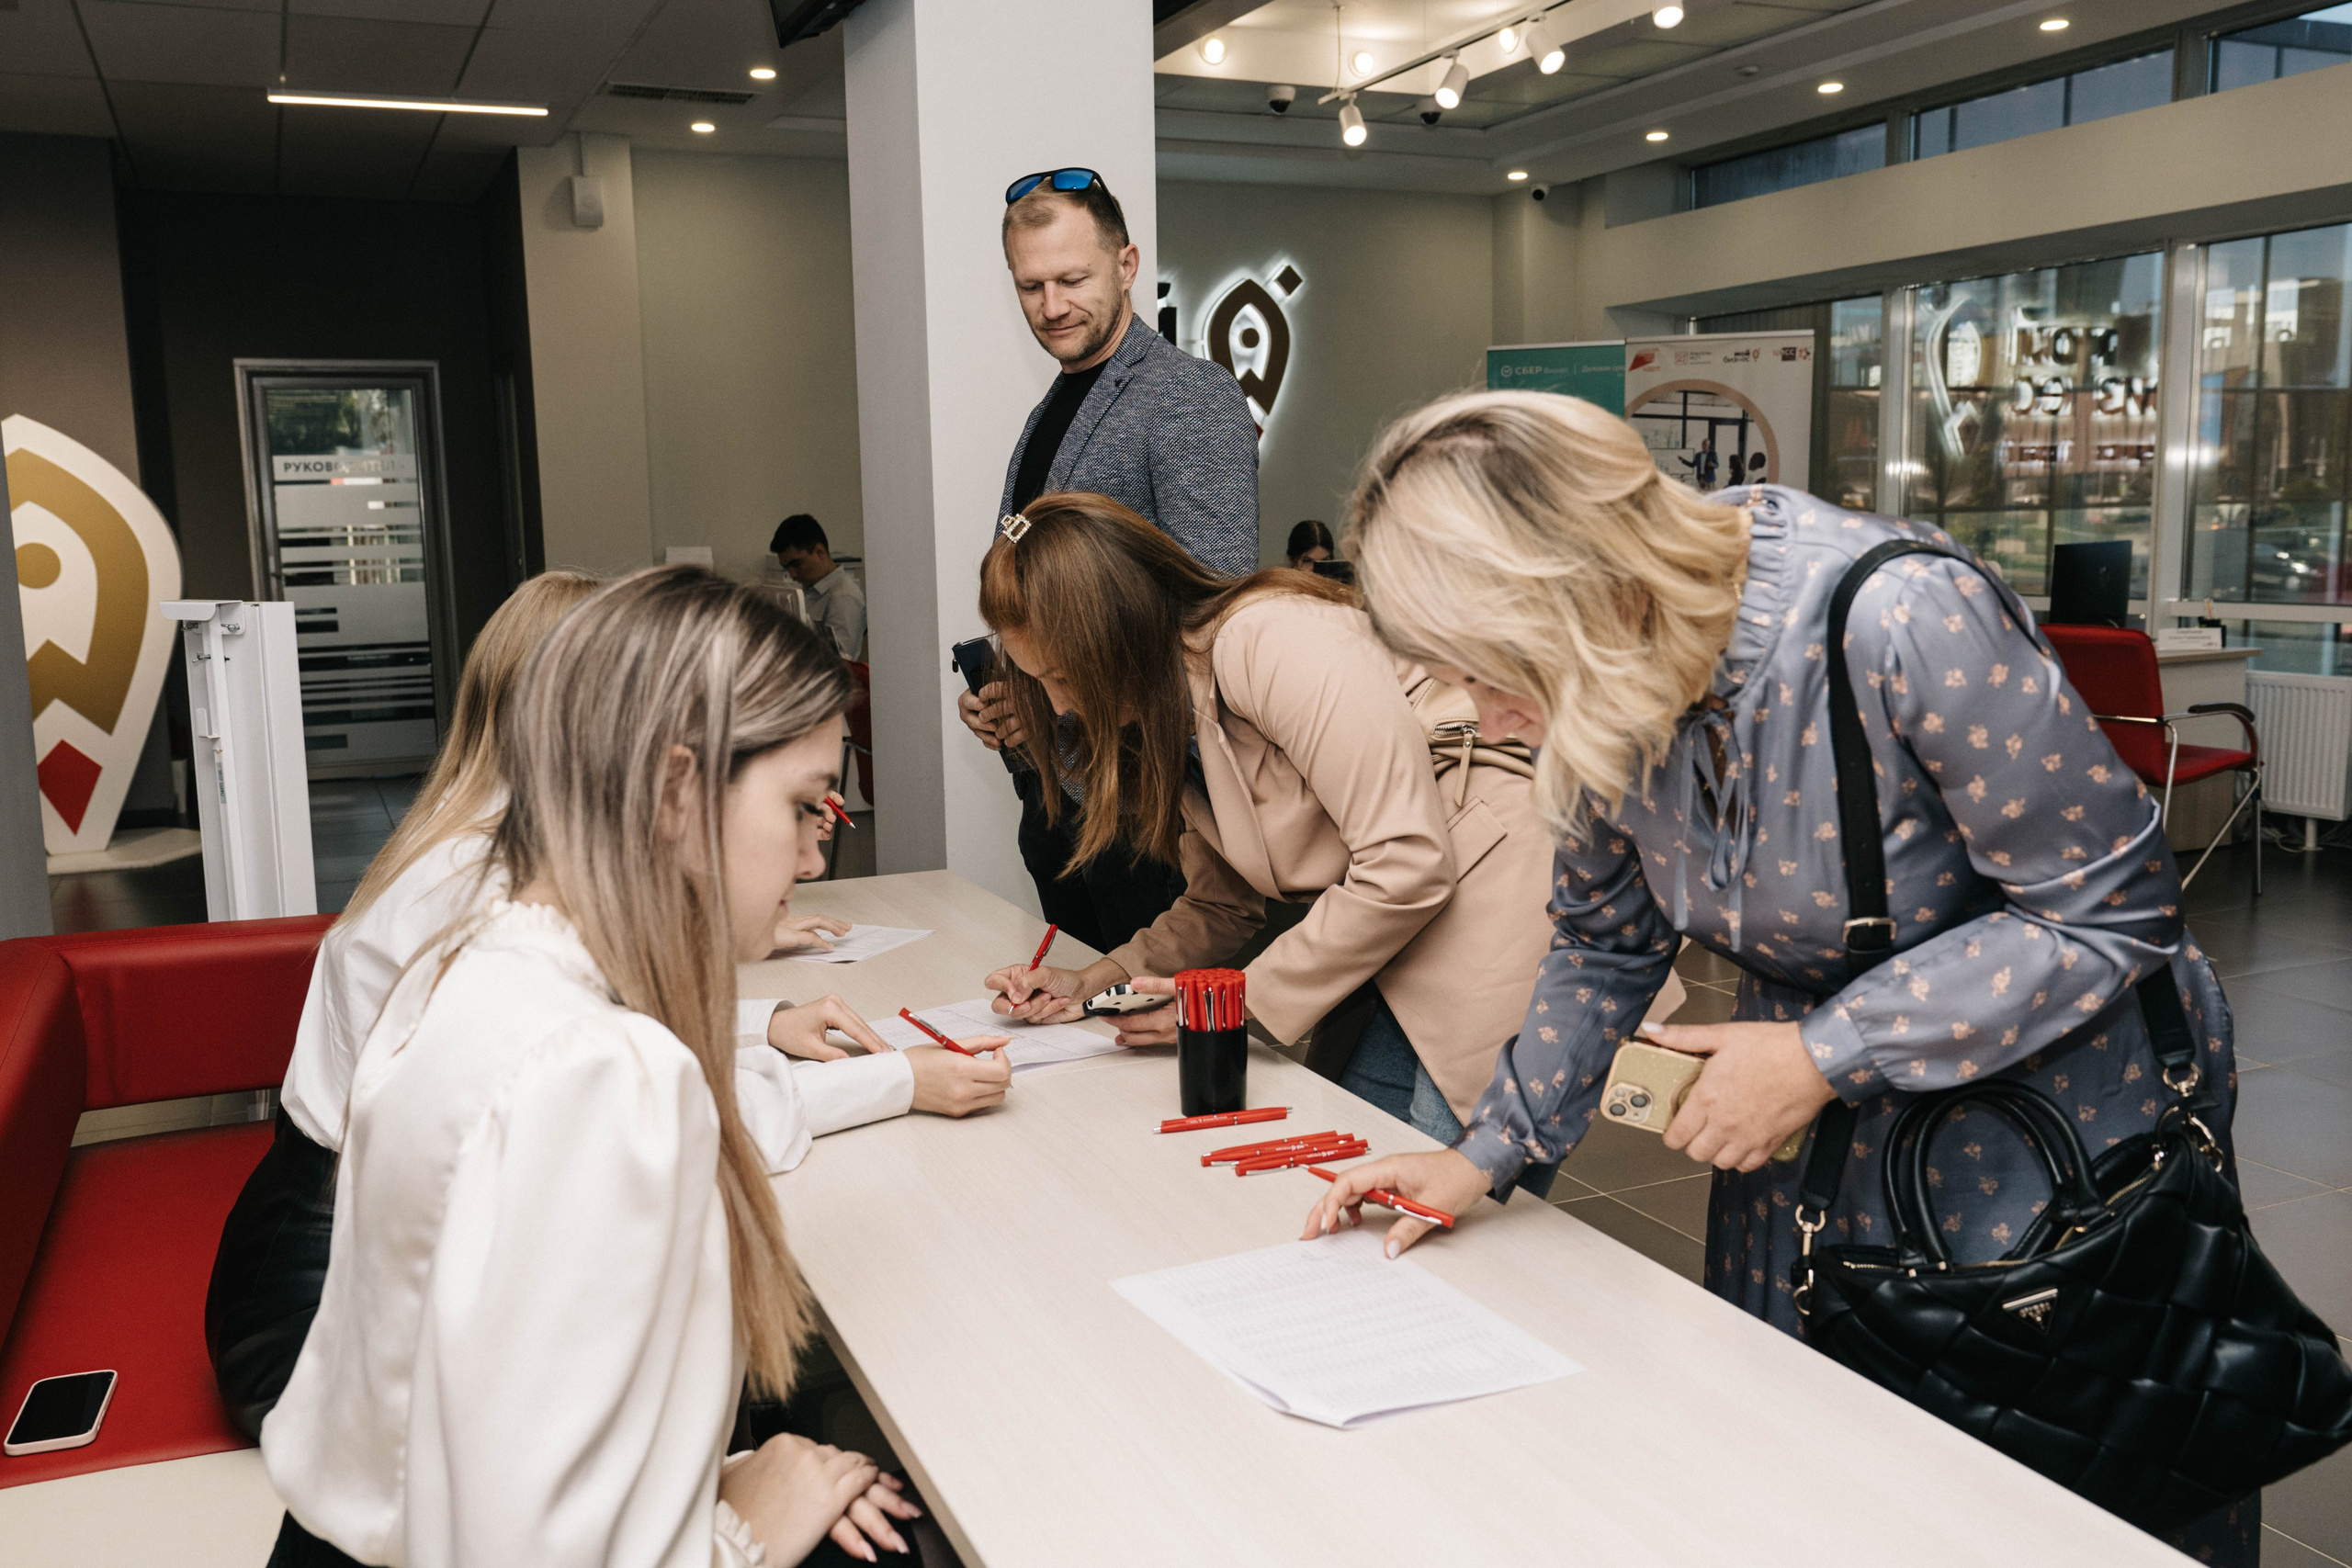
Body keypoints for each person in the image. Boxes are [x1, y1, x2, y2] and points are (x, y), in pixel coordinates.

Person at [1304, 391, 2251, 1562]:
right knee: (1819, 1483)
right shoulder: (1608, 682)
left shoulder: (1899, 617)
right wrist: (1483, 1152)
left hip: (2044, 1145)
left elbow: (2112, 907)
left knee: (2049, 1499)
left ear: (1579, 597)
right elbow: (1604, 943)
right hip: (1811, 1148)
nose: (1485, 714)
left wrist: (1820, 1054)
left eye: (1487, 671)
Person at [207, 570, 1006, 1441]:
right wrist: (896, 1080)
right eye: (800, 806)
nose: (815, 854)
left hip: (353, 1282)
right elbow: (684, 1112)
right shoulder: (490, 926)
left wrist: (763, 1022)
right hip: (317, 1316)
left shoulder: (509, 871)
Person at [970, 491, 1678, 1150]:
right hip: (1401, 925)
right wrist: (1098, 981)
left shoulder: (1267, 638)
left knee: (1446, 1195)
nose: (1058, 706)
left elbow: (1406, 860)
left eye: (1062, 676)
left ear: (1115, 634)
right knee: (1360, 1166)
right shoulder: (1173, 703)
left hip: (1503, 901)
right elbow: (1222, 901)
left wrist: (1243, 1000)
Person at [956, 167, 1261, 954]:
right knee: (1077, 1012)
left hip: (1145, 803)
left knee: (1149, 1017)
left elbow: (1215, 610)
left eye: (1072, 279)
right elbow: (1054, 596)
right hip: (1059, 791)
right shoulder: (1053, 407)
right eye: (1030, 286)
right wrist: (1016, 691)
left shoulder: (1186, 395)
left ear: (1126, 266)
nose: (1052, 305)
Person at [774, 513, 866, 660]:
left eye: (796, 564)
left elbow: (840, 662)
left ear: (819, 552)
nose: (792, 575)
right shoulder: (810, 588)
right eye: (786, 568)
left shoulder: (843, 597)